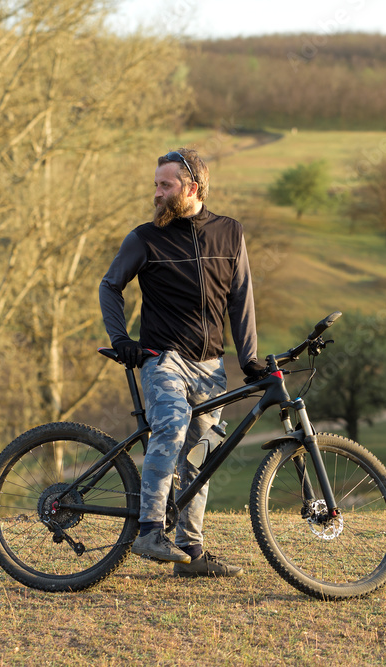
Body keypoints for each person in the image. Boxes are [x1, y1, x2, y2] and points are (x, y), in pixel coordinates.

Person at [99, 148, 265, 578]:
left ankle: (191, 551)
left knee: (200, 458)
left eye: (164, 185)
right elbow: (110, 285)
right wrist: (121, 339)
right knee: (172, 426)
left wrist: (249, 359)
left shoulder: (230, 233)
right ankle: (151, 529)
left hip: (212, 367)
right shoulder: (144, 238)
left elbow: (241, 298)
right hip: (163, 360)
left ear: (193, 188)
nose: (156, 192)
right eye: (155, 184)